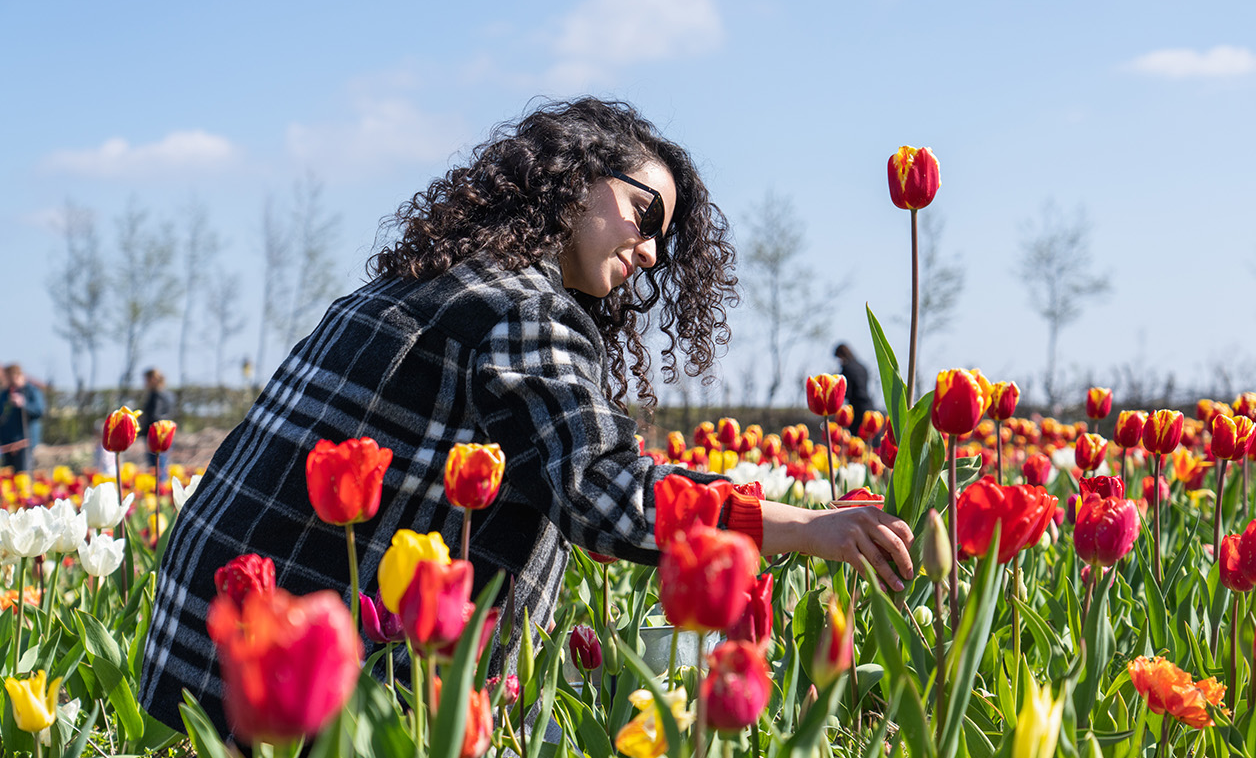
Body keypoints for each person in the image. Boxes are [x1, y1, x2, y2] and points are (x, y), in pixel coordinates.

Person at [139, 98, 916, 741]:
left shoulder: (427, 282)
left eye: (662, 239)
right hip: (296, 702)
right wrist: (811, 527)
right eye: (645, 215)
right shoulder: (525, 305)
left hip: (197, 657)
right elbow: (603, 492)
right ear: (575, 179)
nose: (648, 252)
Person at [0, 363, 45, 473]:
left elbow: (40, 411)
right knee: (8, 476)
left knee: (23, 475)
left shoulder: (32, 391)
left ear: (17, 375)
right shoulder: (5, 394)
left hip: (25, 443)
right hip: (8, 444)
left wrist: (24, 404)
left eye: (9, 377)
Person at [834, 343, 874, 437]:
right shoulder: (862, 367)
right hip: (868, 405)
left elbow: (846, 393)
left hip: (855, 409)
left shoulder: (847, 369)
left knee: (856, 438)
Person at [140, 368, 175, 476]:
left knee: (157, 466)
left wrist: (143, 428)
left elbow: (154, 416)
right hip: (166, 432)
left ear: (153, 379)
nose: (145, 383)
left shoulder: (156, 395)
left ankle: (159, 489)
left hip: (156, 434)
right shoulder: (168, 394)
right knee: (161, 464)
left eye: (146, 380)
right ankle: (161, 488)